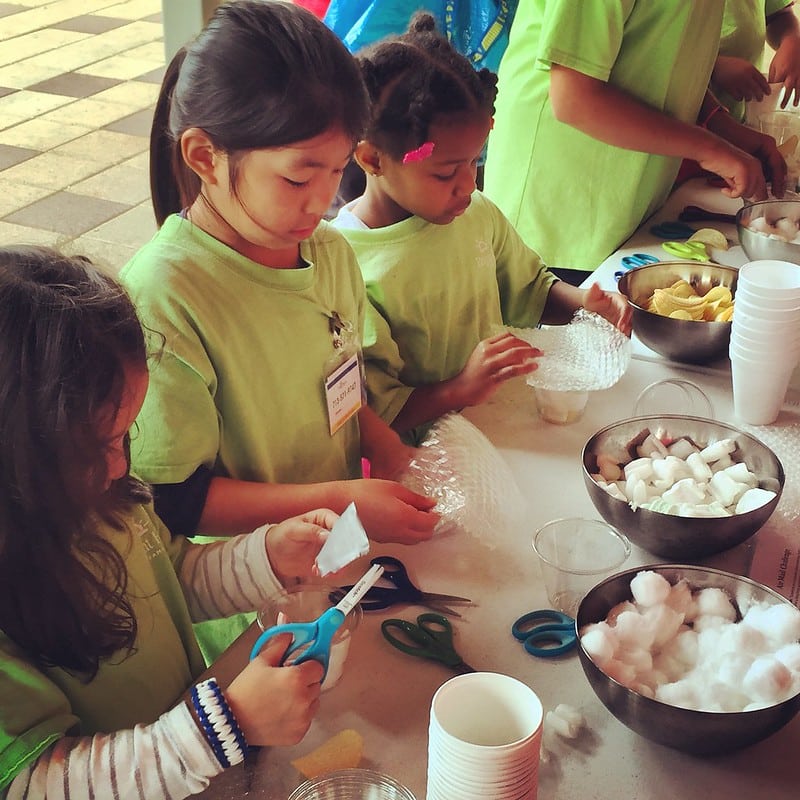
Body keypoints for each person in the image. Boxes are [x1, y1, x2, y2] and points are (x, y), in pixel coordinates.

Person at [0, 245, 337, 800]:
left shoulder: (110, 504)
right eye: (94, 448)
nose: (119, 466)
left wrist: (267, 556)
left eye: (123, 436)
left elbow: (171, 579)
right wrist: (220, 728)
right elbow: (37, 783)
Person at [121, 1, 438, 553]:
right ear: (205, 156)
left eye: (337, 171)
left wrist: (391, 450)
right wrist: (341, 500)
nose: (323, 201)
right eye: (297, 178)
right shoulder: (164, 299)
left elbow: (336, 388)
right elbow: (172, 498)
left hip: (341, 555)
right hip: (257, 598)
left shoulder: (330, 254)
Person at [331, 13, 632, 436]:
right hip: (430, 461)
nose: (468, 184)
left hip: (503, 427)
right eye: (445, 172)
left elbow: (532, 289)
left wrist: (584, 302)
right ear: (372, 159)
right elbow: (374, 412)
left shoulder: (475, 214)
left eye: (475, 161)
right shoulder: (348, 265)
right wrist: (461, 388)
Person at [483, 0, 788, 278]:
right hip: (560, 199)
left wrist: (727, 131)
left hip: (629, 191)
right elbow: (573, 98)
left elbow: (660, 59)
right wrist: (710, 148)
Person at [710, 0, 800, 122]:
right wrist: (713, 67)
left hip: (738, 119)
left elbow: (778, 15)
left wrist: (791, 40)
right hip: (687, 124)